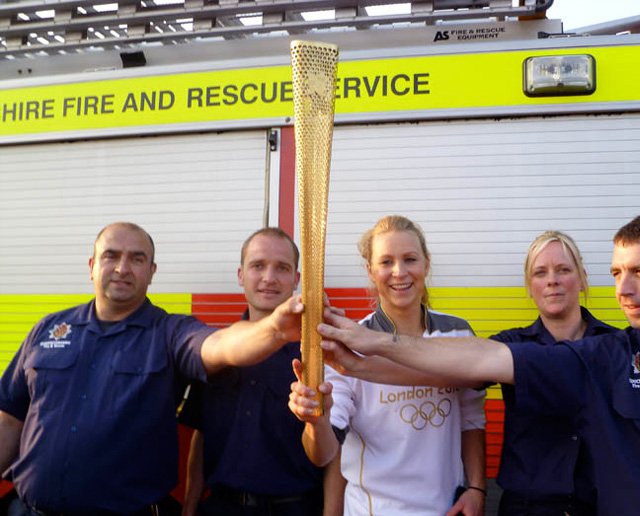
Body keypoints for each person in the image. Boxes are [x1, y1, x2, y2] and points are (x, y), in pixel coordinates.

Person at [312, 213, 640, 516]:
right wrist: (363, 355)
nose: (624, 289)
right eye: (618, 273)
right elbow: (465, 362)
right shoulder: (605, 358)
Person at [0, 222, 308, 516]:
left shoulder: (170, 332)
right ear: (92, 265)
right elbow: (10, 420)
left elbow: (219, 345)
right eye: (111, 256)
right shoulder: (48, 329)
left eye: (137, 259)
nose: (122, 268)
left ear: (151, 272)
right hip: (27, 509)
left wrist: (275, 331)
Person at [290, 215, 487, 516]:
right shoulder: (348, 346)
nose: (399, 272)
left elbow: (471, 419)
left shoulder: (457, 333)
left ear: (426, 264)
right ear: (370, 271)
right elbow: (323, 453)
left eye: (410, 259)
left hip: (447, 509)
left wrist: (476, 488)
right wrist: (316, 420)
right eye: (386, 262)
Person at [178, 228, 324, 516]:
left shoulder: (316, 355)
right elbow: (201, 437)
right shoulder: (214, 351)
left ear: (296, 279)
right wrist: (189, 508)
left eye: (281, 268)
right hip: (222, 507)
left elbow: (335, 454)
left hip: (295, 508)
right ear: (241, 275)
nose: (269, 278)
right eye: (258, 266)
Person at [491, 231, 618, 516]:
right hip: (526, 509)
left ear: (582, 277)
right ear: (529, 285)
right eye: (540, 272)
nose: (552, 280)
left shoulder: (618, 345)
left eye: (563, 270)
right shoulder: (510, 345)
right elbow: (455, 362)